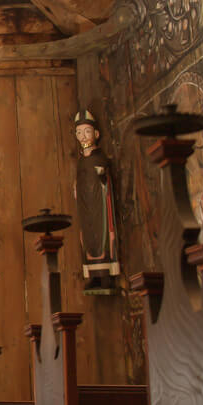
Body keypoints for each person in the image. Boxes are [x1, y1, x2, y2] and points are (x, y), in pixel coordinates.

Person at [73, 109, 121, 292]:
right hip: (85, 205)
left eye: (87, 131)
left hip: (99, 204)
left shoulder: (99, 158)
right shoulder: (80, 161)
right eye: (79, 132)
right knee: (87, 236)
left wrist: (102, 178)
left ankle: (106, 274)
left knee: (103, 234)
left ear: (96, 134)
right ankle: (92, 275)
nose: (83, 136)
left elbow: (104, 178)